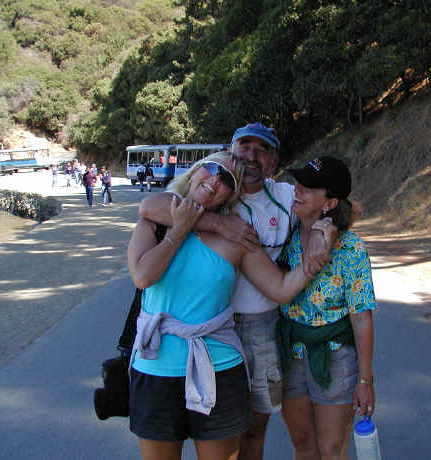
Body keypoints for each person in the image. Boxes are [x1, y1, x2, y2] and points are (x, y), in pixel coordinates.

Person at [127, 151, 335, 460]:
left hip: (220, 370)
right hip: (155, 366)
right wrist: (184, 227)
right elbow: (143, 276)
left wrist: (314, 260)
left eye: (227, 180)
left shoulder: (237, 236)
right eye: (212, 169)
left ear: (231, 195)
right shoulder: (154, 222)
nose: (215, 181)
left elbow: (279, 288)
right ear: (195, 171)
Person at [276, 156, 376, 460]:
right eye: (298, 183)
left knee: (332, 450)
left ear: (330, 202)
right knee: (303, 445)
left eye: (308, 187)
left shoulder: (351, 248)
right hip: (292, 353)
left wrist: (365, 380)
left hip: (335, 357)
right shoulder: (288, 235)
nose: (297, 190)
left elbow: (361, 318)